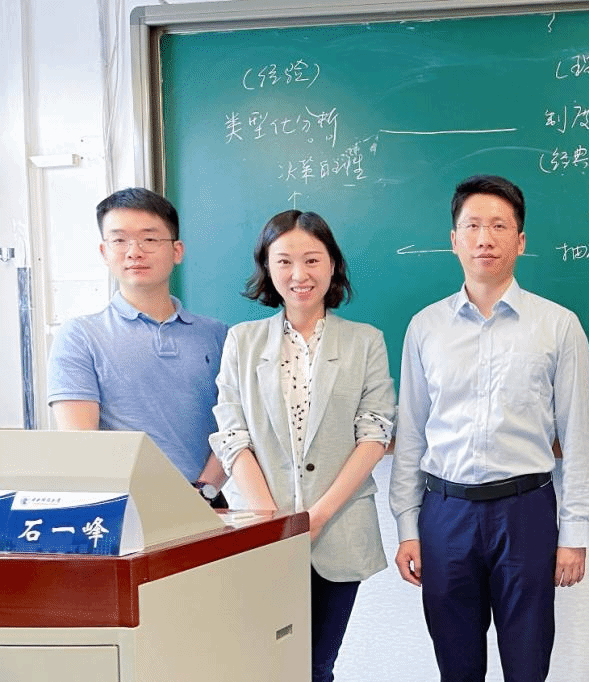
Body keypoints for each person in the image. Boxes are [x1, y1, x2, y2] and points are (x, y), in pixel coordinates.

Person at [389, 174, 589, 681]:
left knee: (527, 665)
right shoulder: (425, 327)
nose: (485, 238)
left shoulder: (559, 325)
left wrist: (574, 533)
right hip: (446, 514)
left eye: (499, 226)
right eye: (473, 226)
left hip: (526, 512)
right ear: (454, 239)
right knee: (456, 666)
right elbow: (411, 435)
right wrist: (407, 527)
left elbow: (576, 437)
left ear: (520, 241)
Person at [209, 210, 395, 682]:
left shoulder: (366, 341)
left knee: (317, 666)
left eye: (312, 259)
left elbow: (375, 432)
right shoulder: (242, 341)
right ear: (267, 268)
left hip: (338, 528)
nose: (299, 274)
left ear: (332, 264)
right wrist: (274, 521)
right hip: (261, 532)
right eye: (284, 261)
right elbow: (232, 433)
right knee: (263, 666)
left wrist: (316, 517)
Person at [47, 187, 229, 505]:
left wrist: (203, 491)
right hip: (121, 508)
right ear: (104, 252)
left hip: (208, 504)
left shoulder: (219, 335)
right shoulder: (80, 336)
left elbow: (236, 427)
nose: (134, 252)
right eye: (119, 240)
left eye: (149, 238)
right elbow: (81, 444)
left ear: (177, 250)